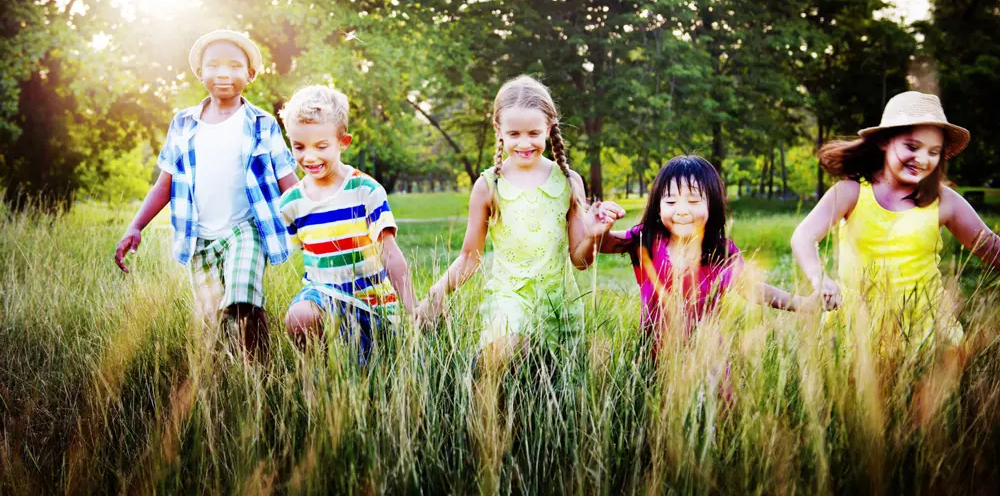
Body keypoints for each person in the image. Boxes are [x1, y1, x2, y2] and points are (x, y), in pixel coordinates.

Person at [114, 29, 298, 361]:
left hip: (247, 230)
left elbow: (288, 181)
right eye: (213, 65)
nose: (223, 73)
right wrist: (135, 226)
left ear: (250, 74)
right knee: (212, 322)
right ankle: (225, 376)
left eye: (234, 66)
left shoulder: (262, 124)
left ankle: (259, 371)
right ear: (200, 73)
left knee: (243, 299)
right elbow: (163, 185)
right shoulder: (183, 124)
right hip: (199, 238)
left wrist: (312, 222)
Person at [418, 75, 625, 362]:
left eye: (533, 133)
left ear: (549, 128)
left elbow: (581, 262)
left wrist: (591, 234)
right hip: (509, 301)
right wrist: (436, 293)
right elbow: (470, 257)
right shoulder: (489, 185)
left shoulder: (568, 182)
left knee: (549, 392)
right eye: (514, 134)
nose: (524, 143)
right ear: (498, 129)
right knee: (505, 352)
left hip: (558, 304)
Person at [791, 90, 1000, 350]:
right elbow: (803, 235)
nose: (922, 159)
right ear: (884, 141)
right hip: (858, 329)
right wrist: (819, 278)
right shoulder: (851, 192)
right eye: (912, 147)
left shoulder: (945, 201)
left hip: (927, 330)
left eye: (933, 152)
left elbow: (991, 248)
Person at [600, 155, 821, 354]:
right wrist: (601, 221)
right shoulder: (646, 239)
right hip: (653, 361)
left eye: (694, 201)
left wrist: (802, 304)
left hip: (706, 363)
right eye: (670, 201)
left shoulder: (721, 253)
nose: (682, 210)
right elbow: (604, 243)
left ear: (711, 205)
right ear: (658, 207)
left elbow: (753, 290)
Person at [278, 85, 416, 364]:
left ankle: (353, 366)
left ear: (343, 142)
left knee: (365, 375)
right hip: (323, 295)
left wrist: (412, 309)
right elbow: (283, 252)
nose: (309, 157)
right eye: (299, 146)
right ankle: (315, 377)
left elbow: (390, 253)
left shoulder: (366, 190)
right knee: (301, 315)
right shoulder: (291, 203)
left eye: (321, 146)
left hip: (369, 304)